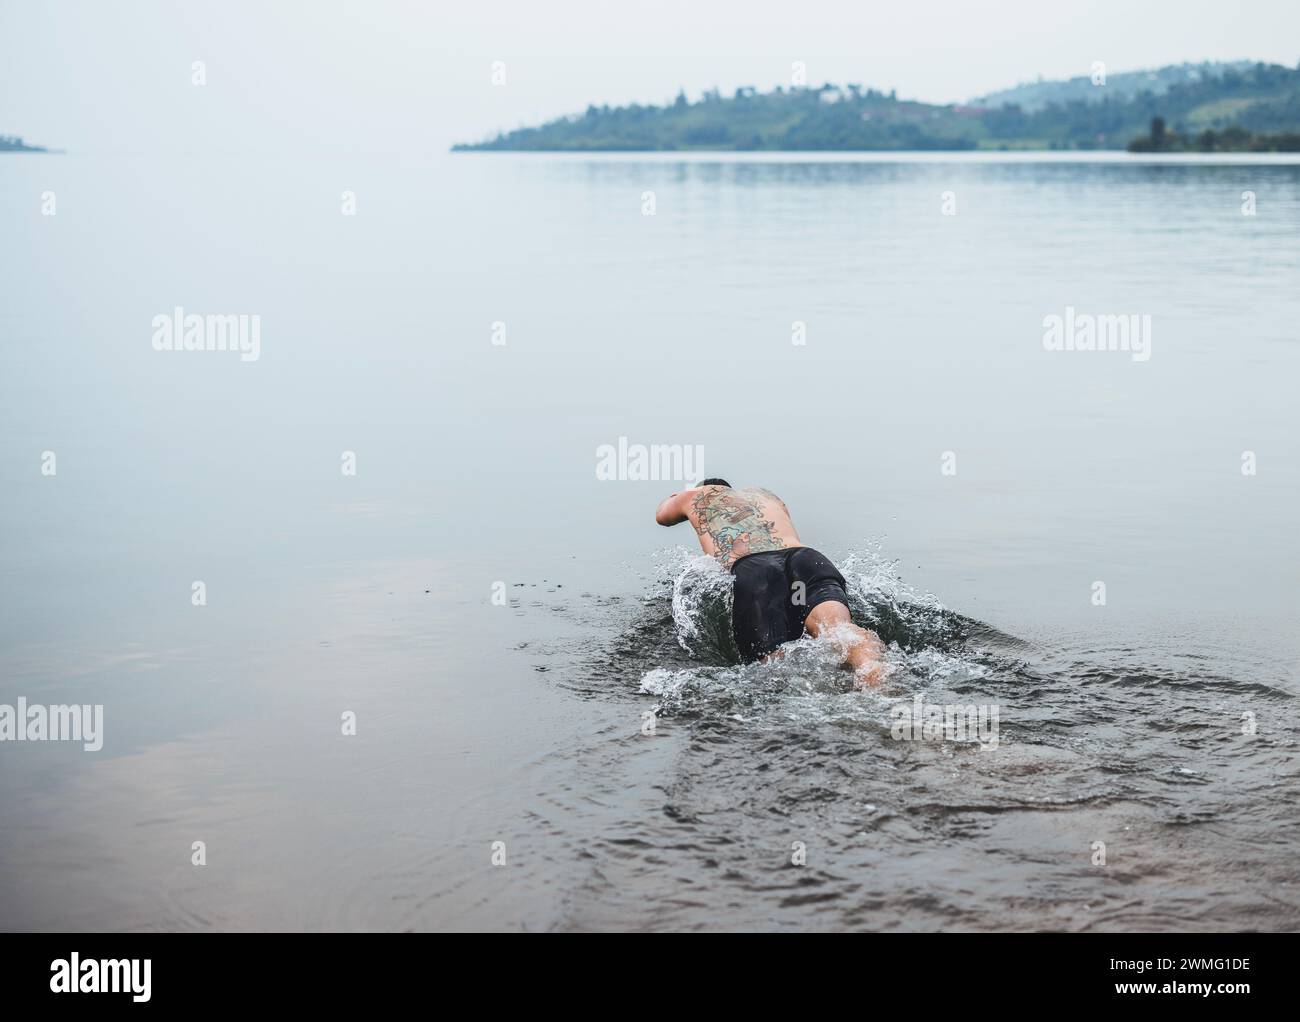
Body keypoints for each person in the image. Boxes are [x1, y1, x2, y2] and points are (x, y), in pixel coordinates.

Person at [654, 479, 885, 686]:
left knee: (771, 667)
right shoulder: (765, 495)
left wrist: (681, 495)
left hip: (757, 569)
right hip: (804, 559)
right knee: (839, 632)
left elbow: (662, 516)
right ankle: (877, 677)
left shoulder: (695, 496)